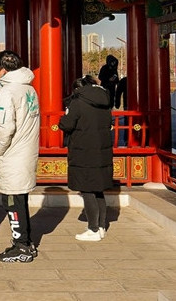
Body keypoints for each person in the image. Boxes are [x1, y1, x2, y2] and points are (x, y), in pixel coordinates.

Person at [0, 50, 40, 263]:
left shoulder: (7, 92)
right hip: (26, 151)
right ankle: (25, 241)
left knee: (12, 201)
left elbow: (5, 127)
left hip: (13, 154)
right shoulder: (29, 89)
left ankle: (21, 246)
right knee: (21, 199)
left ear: (2, 69)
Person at [59, 75, 114, 241]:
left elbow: (67, 124)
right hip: (101, 151)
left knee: (87, 190)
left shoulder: (78, 103)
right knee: (98, 190)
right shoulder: (105, 102)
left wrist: (65, 115)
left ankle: (93, 229)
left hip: (84, 151)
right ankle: (101, 226)